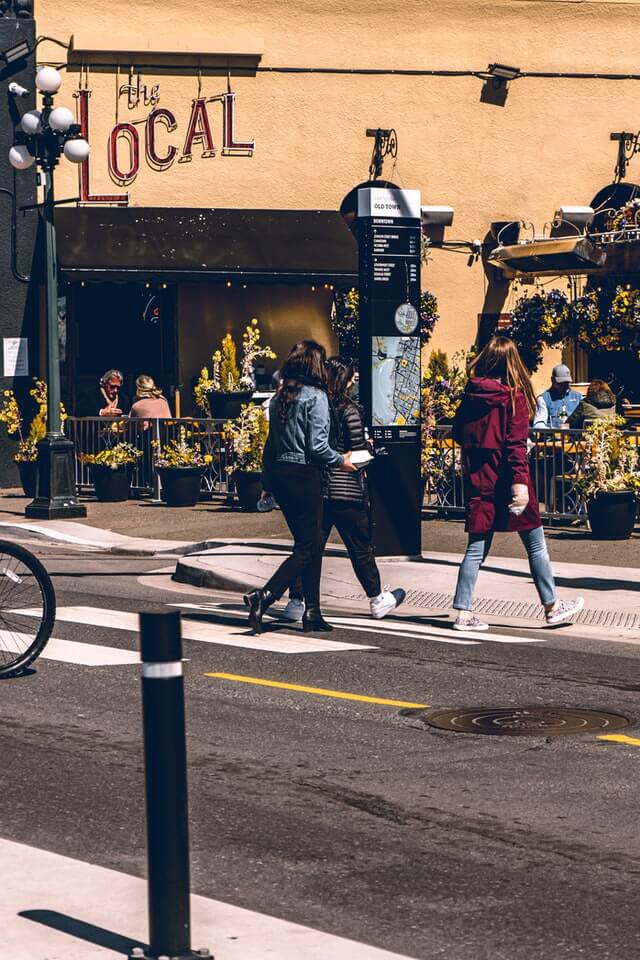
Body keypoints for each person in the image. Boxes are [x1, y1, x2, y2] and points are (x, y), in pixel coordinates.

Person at [450, 336, 584, 631]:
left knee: (476, 548)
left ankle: (463, 611)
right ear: (513, 363)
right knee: (535, 545)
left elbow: (458, 432)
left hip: (479, 480)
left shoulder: (471, 396)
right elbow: (515, 447)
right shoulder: (514, 398)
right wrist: (520, 485)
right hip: (509, 481)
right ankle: (551, 607)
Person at [244, 340, 356, 634]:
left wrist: (267, 483)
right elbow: (318, 447)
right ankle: (265, 596)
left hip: (280, 474)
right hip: (304, 475)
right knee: (308, 548)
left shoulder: (281, 396)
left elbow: (270, 445)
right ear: (314, 366)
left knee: (309, 544)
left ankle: (312, 611)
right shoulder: (316, 396)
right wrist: (340, 460)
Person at [285, 357, 405, 622]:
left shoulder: (314, 406)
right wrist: (369, 449)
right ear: (345, 380)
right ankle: (376, 598)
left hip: (318, 488)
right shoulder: (349, 410)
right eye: (352, 377)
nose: (354, 381)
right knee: (359, 547)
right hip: (346, 489)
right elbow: (358, 452)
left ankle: (296, 600)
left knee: (309, 547)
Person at [533, 363, 582, 428]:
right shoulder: (543, 399)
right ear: (552, 380)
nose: (564, 386)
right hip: (552, 437)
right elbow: (538, 424)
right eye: (561, 383)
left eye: (566, 382)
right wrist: (553, 432)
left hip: (575, 437)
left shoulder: (579, 397)